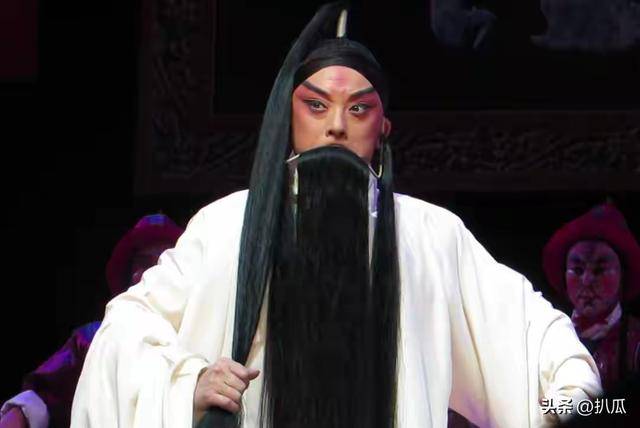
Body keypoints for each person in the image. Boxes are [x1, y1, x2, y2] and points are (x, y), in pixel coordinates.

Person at [71, 4, 601, 428]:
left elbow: (533, 336)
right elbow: (123, 334)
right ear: (289, 118)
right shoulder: (226, 226)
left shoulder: (430, 236)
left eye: (359, 108)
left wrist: (578, 402)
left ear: (383, 129)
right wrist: (188, 383)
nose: (337, 126)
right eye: (317, 106)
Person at [0, 214, 183, 428]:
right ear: (131, 274)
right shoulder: (91, 338)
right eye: (144, 263)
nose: (151, 273)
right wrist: (17, 415)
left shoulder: (193, 334)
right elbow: (42, 396)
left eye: (160, 263)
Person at [543, 203, 640, 392]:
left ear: (622, 276)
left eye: (599, 270)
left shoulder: (635, 342)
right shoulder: (549, 336)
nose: (587, 281)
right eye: (577, 270)